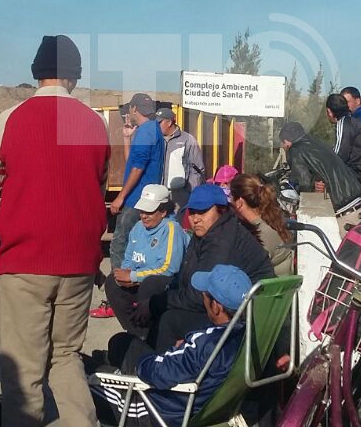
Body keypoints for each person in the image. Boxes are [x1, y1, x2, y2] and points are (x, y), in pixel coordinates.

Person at [0, 35, 111, 427]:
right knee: (66, 356)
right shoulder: (95, 123)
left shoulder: (11, 118)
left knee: (24, 365)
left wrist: (20, 201)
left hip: (26, 260)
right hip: (79, 262)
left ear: (36, 72)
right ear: (75, 76)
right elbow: (98, 186)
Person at [92, 265, 253, 427]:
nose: (203, 297)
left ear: (216, 307)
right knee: (121, 342)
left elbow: (157, 373)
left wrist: (150, 361)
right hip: (202, 403)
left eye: (205, 294)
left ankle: (109, 373)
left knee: (86, 377)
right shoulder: (249, 337)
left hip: (157, 411)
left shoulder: (206, 344)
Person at [141, 183, 274, 350]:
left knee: (169, 319)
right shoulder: (207, 231)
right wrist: (160, 298)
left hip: (242, 318)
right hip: (223, 305)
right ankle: (147, 343)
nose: (195, 218)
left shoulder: (222, 240)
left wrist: (154, 304)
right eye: (192, 212)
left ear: (221, 210)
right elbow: (185, 274)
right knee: (152, 284)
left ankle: (161, 359)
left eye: (203, 211)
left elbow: (200, 296)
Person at [101, 184, 188, 337]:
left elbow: (169, 268)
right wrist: (125, 274)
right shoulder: (138, 228)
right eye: (142, 211)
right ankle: (137, 332)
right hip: (140, 281)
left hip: (167, 286)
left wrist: (134, 277)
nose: (144, 216)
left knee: (150, 284)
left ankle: (153, 332)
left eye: (149, 212)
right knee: (112, 283)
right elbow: (129, 257)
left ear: (163, 212)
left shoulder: (171, 229)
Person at [110, 93, 166, 273]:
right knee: (137, 244)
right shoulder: (152, 129)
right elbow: (133, 163)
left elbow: (137, 168)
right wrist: (127, 138)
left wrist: (121, 196)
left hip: (136, 198)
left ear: (134, 109)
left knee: (120, 243)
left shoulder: (145, 132)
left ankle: (118, 281)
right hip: (144, 198)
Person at [278, 121, 361, 224]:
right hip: (360, 203)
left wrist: (307, 189)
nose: (283, 146)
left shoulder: (295, 150)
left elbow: (305, 184)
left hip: (345, 215)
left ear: (287, 141)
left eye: (283, 143)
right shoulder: (317, 143)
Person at [228, 173, 294, 276]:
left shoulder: (262, 233)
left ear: (239, 202)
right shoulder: (271, 221)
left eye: (231, 198)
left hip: (266, 285)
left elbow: (246, 269)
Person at [157, 107, 204, 211]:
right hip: (158, 195)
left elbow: (197, 170)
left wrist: (190, 194)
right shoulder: (155, 139)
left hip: (180, 196)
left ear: (169, 122)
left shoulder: (188, 140)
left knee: (178, 220)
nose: (156, 125)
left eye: (159, 122)